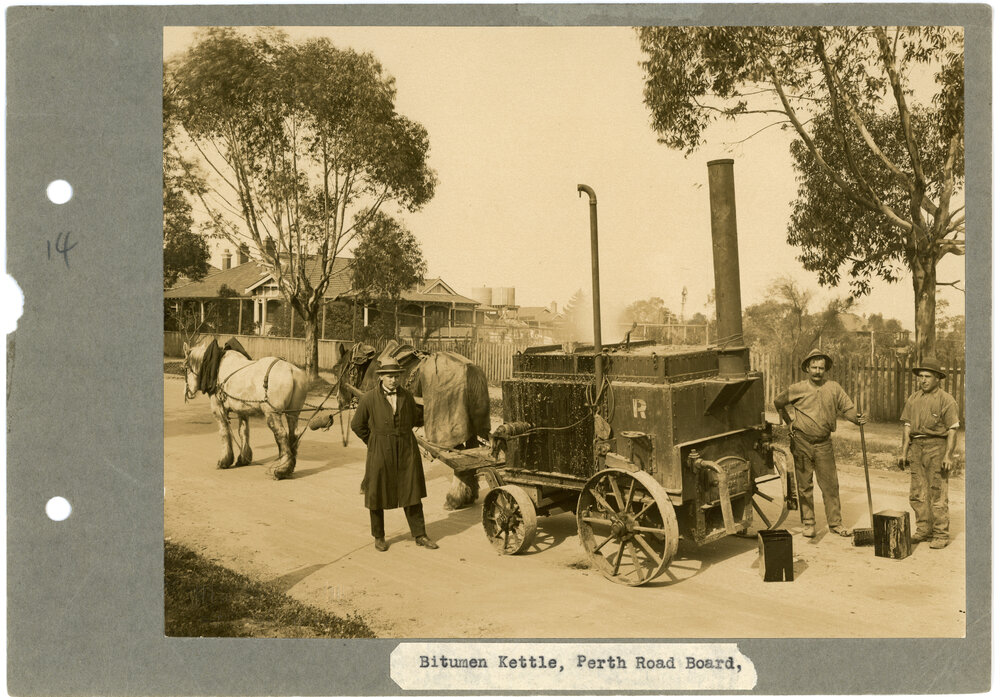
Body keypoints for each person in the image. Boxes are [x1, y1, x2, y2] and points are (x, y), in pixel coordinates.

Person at [774, 348, 867, 539]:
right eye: (814, 367)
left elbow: (848, 408)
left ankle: (836, 524)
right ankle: (808, 524)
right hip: (801, 442)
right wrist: (789, 422)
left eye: (821, 368)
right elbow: (778, 402)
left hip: (824, 444)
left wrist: (857, 419)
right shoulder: (797, 388)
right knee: (804, 486)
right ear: (807, 368)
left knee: (830, 485)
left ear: (826, 369)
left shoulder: (834, 388)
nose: (817, 371)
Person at [351, 356, 438, 552]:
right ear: (381, 377)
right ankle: (379, 536)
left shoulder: (407, 396)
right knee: (376, 493)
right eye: (389, 376)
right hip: (380, 450)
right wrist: (373, 442)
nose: (393, 380)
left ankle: (420, 535)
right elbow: (357, 425)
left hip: (406, 449)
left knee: (412, 492)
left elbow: (416, 419)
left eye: (396, 376)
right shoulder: (368, 398)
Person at [900, 357, 960, 549]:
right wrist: (903, 452)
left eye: (928, 376)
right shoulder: (913, 398)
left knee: (937, 493)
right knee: (917, 492)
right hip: (916, 448)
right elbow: (907, 427)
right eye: (921, 376)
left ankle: (940, 534)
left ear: (937, 379)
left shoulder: (946, 400)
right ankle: (923, 529)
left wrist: (948, 456)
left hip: (937, 446)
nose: (923, 380)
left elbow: (952, 429)